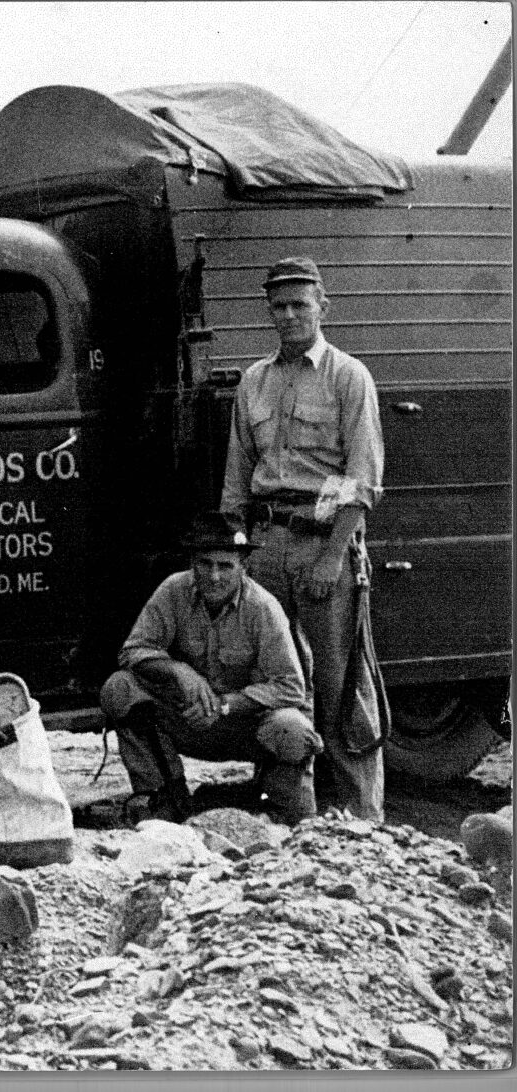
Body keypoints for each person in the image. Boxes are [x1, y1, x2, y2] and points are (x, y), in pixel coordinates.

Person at [220, 257, 387, 821]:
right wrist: (244, 550)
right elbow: (237, 477)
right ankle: (295, 816)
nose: (290, 315)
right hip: (266, 547)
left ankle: (365, 819)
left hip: (324, 546)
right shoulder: (254, 380)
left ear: (322, 306)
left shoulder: (347, 376)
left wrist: (333, 554)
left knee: (340, 682)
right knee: (279, 680)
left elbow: (359, 478)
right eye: (279, 307)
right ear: (269, 313)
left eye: (300, 304)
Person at [100, 513, 322, 825]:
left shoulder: (263, 608)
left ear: (243, 567)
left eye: (225, 566)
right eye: (205, 563)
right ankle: (164, 797)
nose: (214, 576)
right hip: (189, 720)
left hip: (247, 726)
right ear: (192, 562)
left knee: (293, 730)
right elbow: (133, 651)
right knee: (120, 688)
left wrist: (225, 706)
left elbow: (290, 686)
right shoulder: (173, 591)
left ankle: (275, 804)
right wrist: (179, 671)